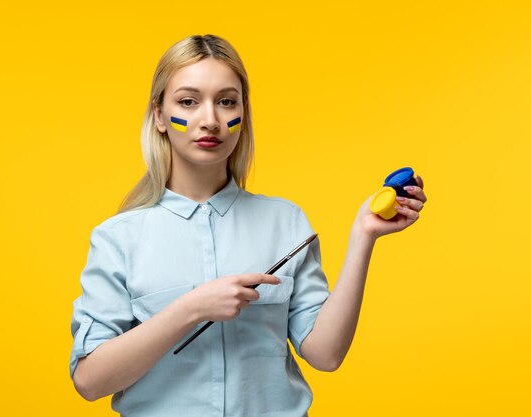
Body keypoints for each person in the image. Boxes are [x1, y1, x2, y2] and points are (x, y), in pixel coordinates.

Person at [69, 34, 427, 416]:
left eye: (226, 101)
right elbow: (90, 381)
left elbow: (325, 355)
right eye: (188, 102)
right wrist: (190, 308)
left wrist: (363, 235)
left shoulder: (286, 221)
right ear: (159, 116)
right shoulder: (117, 238)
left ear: (243, 113)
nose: (210, 120)